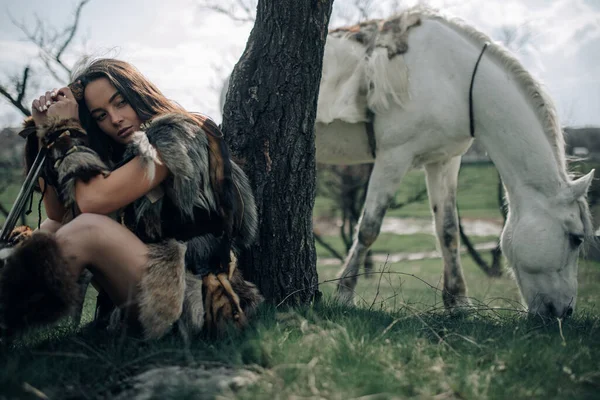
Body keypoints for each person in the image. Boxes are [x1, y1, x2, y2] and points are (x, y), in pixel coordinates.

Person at [0, 58, 262, 340]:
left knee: (89, 229)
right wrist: (45, 133)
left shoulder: (176, 134)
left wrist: (63, 130)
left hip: (198, 299)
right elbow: (55, 214)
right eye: (100, 116)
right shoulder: (120, 158)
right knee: (51, 231)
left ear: (138, 92)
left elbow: (92, 202)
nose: (114, 118)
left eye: (120, 102)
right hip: (156, 288)